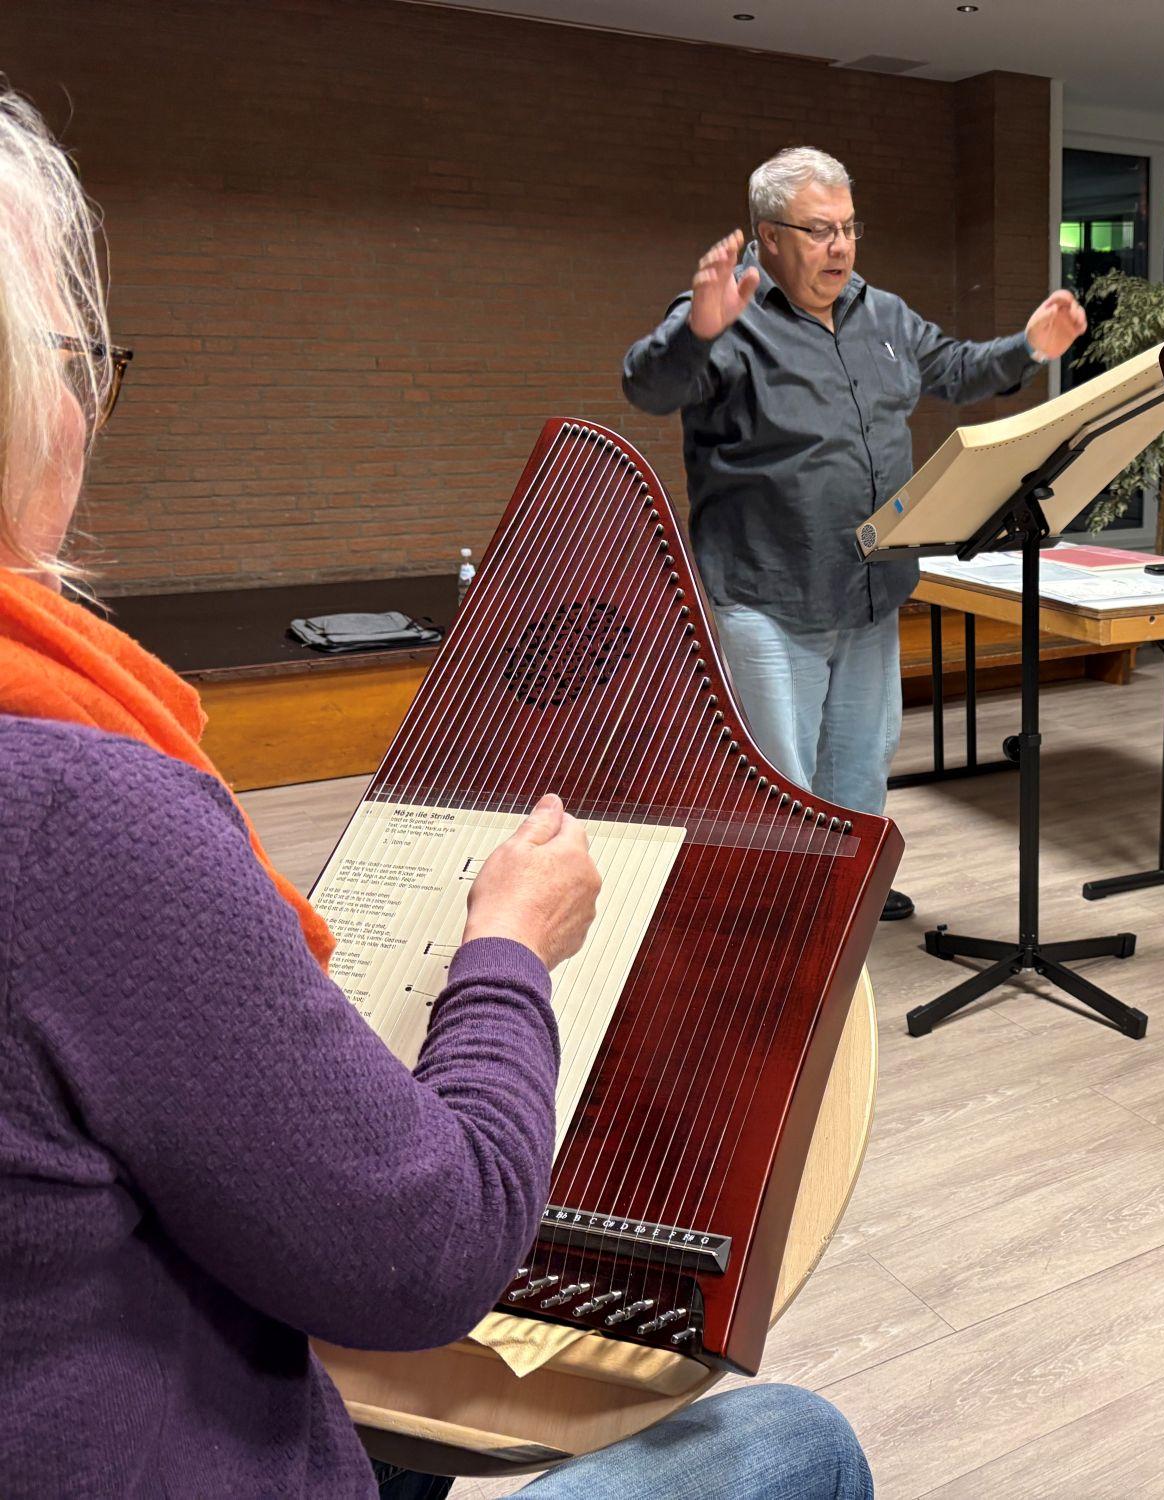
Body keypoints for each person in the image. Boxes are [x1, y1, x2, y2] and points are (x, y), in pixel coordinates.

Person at [0, 89, 871, 1498]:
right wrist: (507, 949)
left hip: (858, 594)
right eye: (70, 357)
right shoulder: (74, 814)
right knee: (795, 1445)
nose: (88, 402)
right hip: (174, 1442)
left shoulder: (879, 329)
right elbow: (420, 1258)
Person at [622, 146, 1088, 923]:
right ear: (768, 236)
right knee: (782, 777)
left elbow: (958, 369)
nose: (840, 246)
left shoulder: (884, 314)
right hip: (770, 596)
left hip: (870, 591)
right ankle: (783, 918)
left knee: (860, 766)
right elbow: (647, 384)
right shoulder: (727, 319)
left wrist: (1031, 348)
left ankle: (845, 894)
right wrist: (696, 331)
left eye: (847, 228)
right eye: (818, 230)